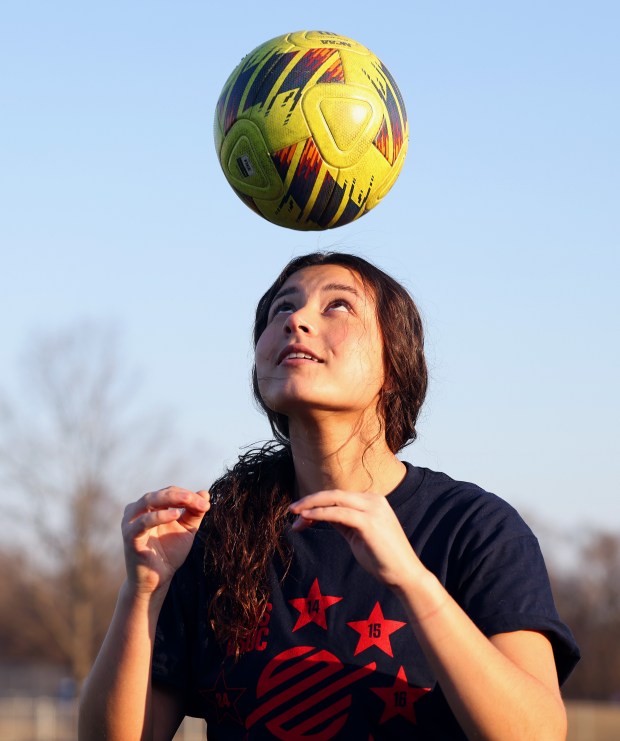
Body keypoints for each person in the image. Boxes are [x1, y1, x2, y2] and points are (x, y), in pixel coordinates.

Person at [78, 251, 579, 740]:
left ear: (395, 360)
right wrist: (140, 594)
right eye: (281, 308)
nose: (297, 319)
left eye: (337, 305)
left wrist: (412, 581)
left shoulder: (476, 529)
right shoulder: (214, 535)